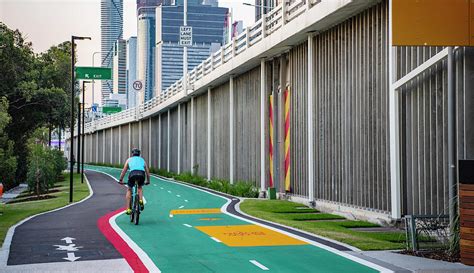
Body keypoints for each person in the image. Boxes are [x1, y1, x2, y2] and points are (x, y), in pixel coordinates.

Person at [119, 148, 151, 215]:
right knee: (140, 187)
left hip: (133, 174)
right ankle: (141, 200)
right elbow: (147, 172)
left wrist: (121, 180)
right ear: (139, 154)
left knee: (129, 189)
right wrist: (148, 181)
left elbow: (123, 171)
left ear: (132, 154)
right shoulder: (142, 160)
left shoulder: (129, 160)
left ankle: (128, 209)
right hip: (141, 174)